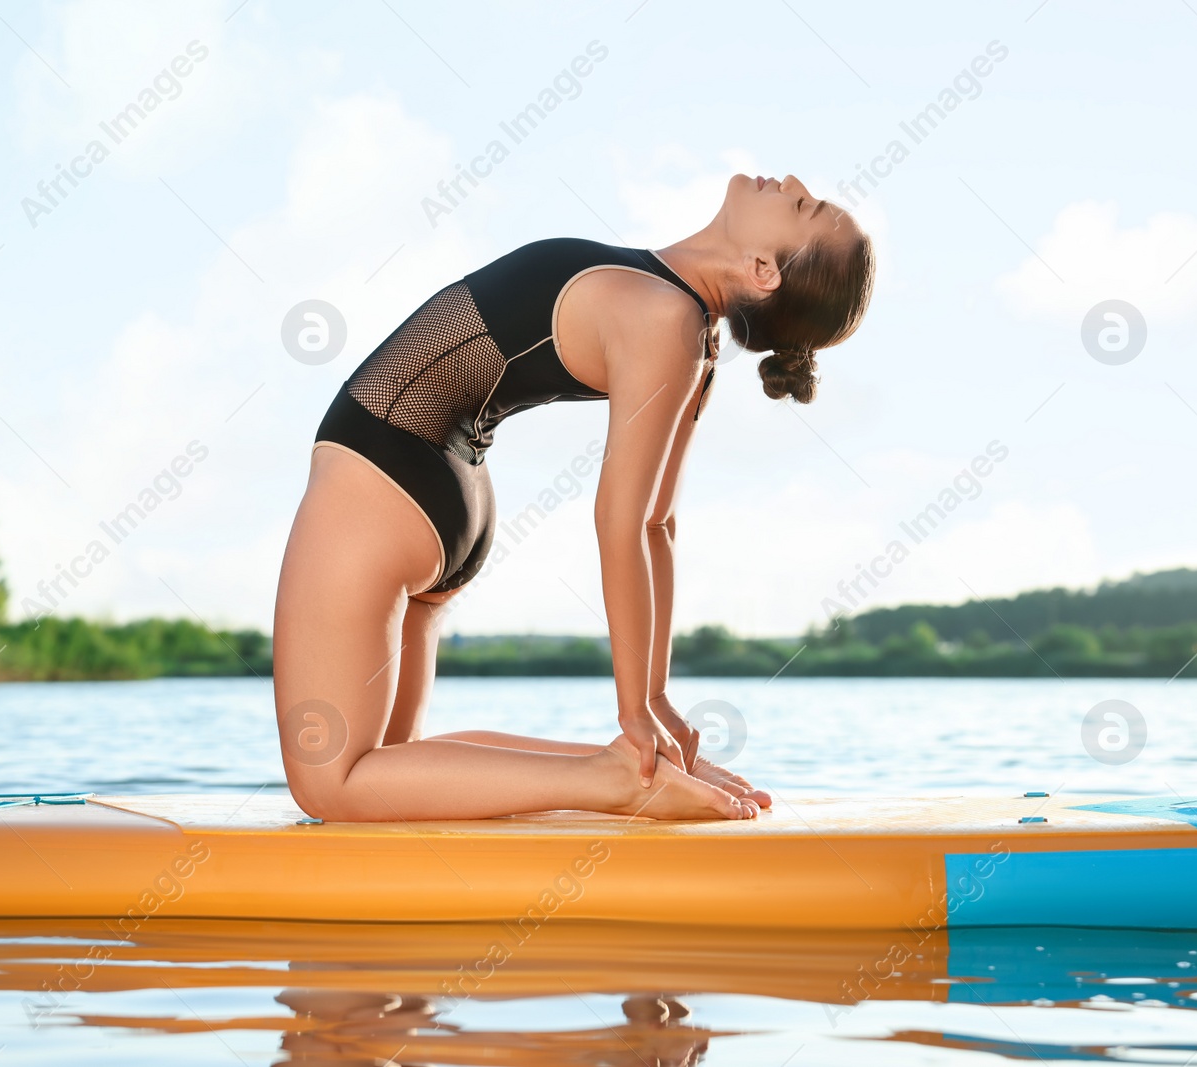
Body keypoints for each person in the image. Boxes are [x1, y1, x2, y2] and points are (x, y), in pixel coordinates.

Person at [273, 173, 875, 821]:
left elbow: (627, 521)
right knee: (391, 766)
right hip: (441, 491)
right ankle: (625, 769)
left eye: (803, 206)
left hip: (384, 475)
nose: (790, 183)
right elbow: (658, 525)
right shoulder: (684, 327)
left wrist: (637, 709)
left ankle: (618, 776)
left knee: (332, 783)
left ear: (762, 269)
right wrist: (655, 700)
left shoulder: (665, 315)